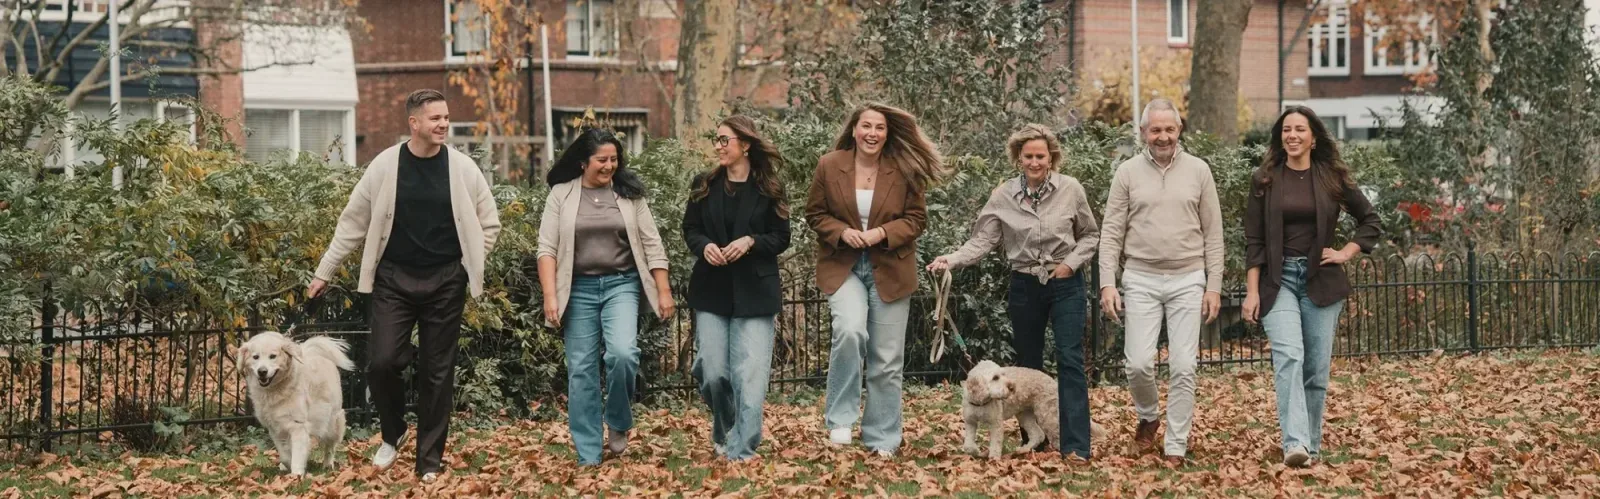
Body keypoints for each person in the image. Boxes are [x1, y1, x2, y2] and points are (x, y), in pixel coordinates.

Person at [308, 89, 501, 482]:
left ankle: (429, 462)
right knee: (382, 362)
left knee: (437, 371)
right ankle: (394, 432)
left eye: (446, 117)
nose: (443, 124)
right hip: (394, 278)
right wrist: (324, 270)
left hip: (446, 279)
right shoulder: (384, 167)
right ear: (414, 123)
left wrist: (467, 266)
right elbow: (353, 223)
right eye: (435, 118)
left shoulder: (463, 168)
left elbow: (489, 223)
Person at [926, 123, 1099, 460]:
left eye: (1041, 156)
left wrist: (1070, 265)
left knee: (1070, 360)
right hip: (1024, 285)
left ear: (1051, 158)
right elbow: (984, 240)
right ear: (1018, 158)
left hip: (1065, 283)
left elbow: (1090, 235)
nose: (1035, 162)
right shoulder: (1003, 195)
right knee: (1028, 365)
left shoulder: (1071, 190)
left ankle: (1077, 446)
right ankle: (1034, 442)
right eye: (1028, 156)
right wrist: (953, 259)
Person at [1242, 106, 1381, 468]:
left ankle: (1312, 448)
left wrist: (1347, 251)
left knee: (1316, 371)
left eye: (1300, 129)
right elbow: (1254, 240)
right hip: (1278, 281)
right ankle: (1295, 444)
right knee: (1289, 356)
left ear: (1313, 137)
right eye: (1286, 130)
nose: (1292, 135)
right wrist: (1252, 291)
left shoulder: (1331, 177)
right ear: (1280, 137)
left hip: (1321, 280)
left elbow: (1370, 219)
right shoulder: (1265, 179)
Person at [805, 102, 942, 457]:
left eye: (879, 128)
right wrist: (841, 232)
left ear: (887, 133)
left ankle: (882, 437)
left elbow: (916, 220)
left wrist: (881, 232)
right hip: (844, 265)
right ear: (854, 129)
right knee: (850, 331)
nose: (872, 133)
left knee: (886, 357)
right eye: (866, 126)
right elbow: (815, 214)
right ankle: (840, 420)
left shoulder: (904, 169)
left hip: (891, 267)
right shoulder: (829, 165)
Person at [536, 128, 676, 466]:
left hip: (621, 285)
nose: (609, 165)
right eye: (602, 159)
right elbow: (547, 248)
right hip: (579, 289)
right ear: (584, 161)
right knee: (581, 369)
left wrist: (664, 290)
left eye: (614, 159)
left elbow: (652, 243)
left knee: (623, 354)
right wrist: (550, 296)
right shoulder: (561, 194)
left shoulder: (629, 194)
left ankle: (617, 420)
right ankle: (588, 453)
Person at [1097, 98, 1223, 465]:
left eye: (1169, 129)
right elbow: (1111, 233)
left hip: (1188, 277)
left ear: (1179, 130)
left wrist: (1213, 285)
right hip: (1141, 276)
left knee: (1184, 365)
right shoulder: (1127, 173)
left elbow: (1214, 234)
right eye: (1156, 130)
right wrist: (1108, 282)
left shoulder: (1199, 171)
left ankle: (1176, 445)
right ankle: (1149, 416)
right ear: (1143, 133)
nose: (1163, 136)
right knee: (1137, 363)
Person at [682, 115, 793, 462]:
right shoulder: (704, 184)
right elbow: (691, 228)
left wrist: (751, 241)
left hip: (755, 292)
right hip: (711, 290)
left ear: (745, 145)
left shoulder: (769, 188)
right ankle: (727, 428)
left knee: (750, 376)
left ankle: (741, 449)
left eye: (724, 140)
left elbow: (781, 237)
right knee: (713, 373)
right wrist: (704, 247)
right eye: (716, 139)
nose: (718, 146)